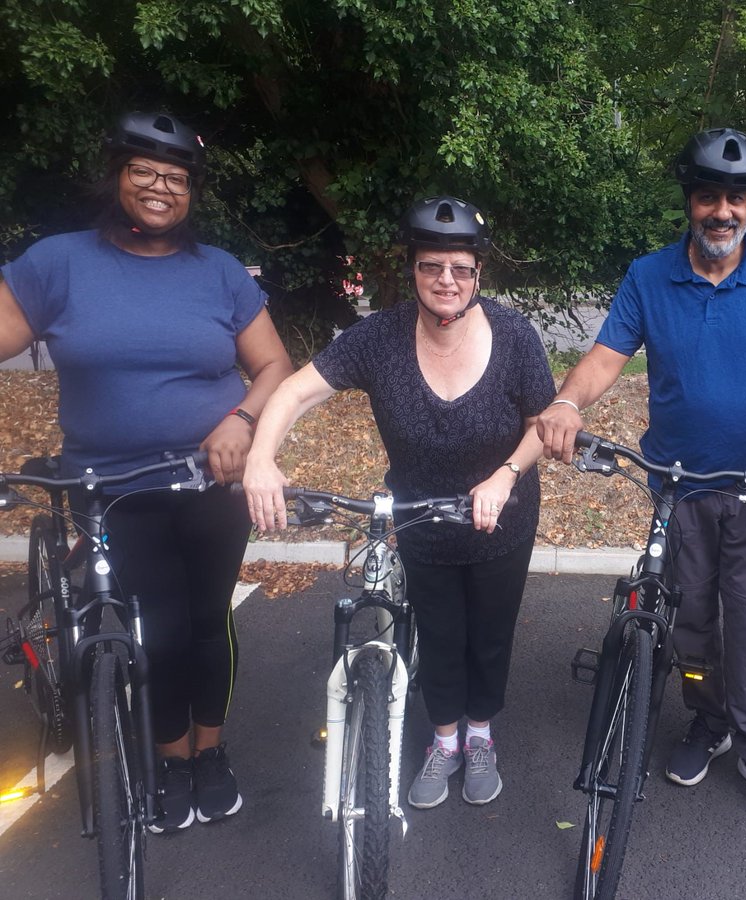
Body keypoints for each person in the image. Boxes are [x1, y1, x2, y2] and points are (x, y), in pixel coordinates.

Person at [0, 111, 293, 831]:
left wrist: (245, 421)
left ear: (192, 191)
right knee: (156, 627)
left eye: (177, 177)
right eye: (145, 171)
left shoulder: (219, 272)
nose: (161, 187)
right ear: (118, 176)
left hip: (209, 481)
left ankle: (209, 754)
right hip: (112, 486)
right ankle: (169, 757)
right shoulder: (57, 263)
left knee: (205, 620)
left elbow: (275, 366)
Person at [538, 128, 746, 822]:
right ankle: (709, 720)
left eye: (735, 198)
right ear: (689, 204)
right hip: (676, 485)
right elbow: (609, 355)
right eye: (707, 197)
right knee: (692, 626)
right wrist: (567, 400)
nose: (722, 211)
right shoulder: (649, 275)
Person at [241, 196, 555, 809]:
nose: (446, 280)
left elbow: (544, 423)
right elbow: (295, 392)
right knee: (439, 633)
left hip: (502, 518)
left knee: (489, 635)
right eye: (432, 266)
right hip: (421, 520)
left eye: (460, 268)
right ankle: (444, 740)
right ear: (411, 270)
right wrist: (260, 457)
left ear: (478, 275)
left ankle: (481, 734)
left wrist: (506, 475)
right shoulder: (379, 338)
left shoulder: (515, 336)